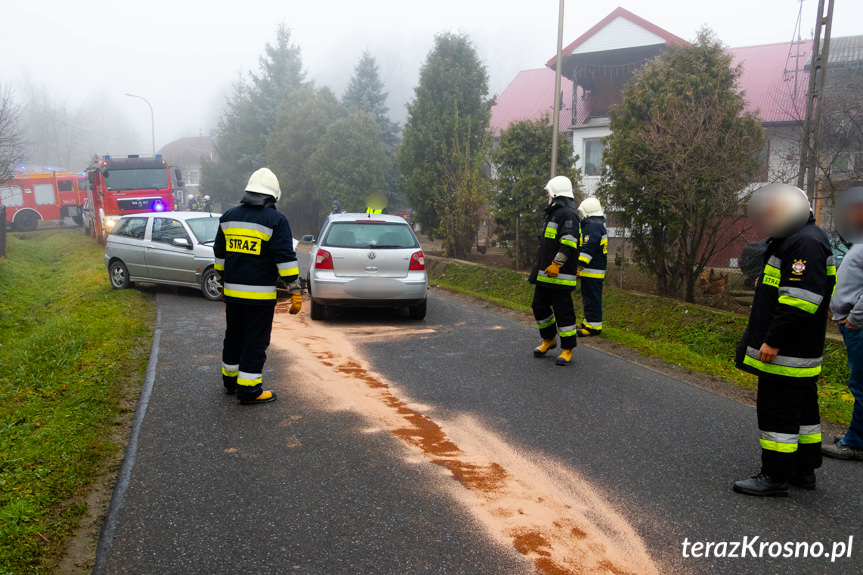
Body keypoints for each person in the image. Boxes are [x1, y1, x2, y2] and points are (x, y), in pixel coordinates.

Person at [733, 183, 835, 496]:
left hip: (786, 352)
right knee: (802, 413)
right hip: (797, 352)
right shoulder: (797, 238)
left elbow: (799, 301)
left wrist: (773, 340)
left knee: (778, 412)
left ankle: (775, 476)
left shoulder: (804, 243)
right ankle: (803, 471)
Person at [213, 168, 302, 405]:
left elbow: (219, 255)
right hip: (259, 298)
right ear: (273, 197)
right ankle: (249, 391)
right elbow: (285, 258)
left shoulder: (228, 217)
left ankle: (230, 383)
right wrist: (294, 292)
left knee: (233, 336)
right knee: (255, 340)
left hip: (232, 294)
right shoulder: (276, 220)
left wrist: (222, 281)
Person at [824, 187, 863, 461]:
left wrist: (854, 320)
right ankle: (856, 435)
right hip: (850, 322)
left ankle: (855, 443)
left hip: (858, 327)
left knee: (860, 385)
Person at [529, 175, 581, 366]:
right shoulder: (553, 214)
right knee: (539, 307)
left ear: (556, 194)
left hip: (559, 276)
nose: (547, 196)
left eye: (548, 193)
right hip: (545, 277)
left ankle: (567, 349)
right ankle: (549, 339)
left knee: (564, 313)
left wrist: (557, 264)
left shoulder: (568, 215)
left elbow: (569, 242)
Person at [574, 197, 608, 337]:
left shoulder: (592, 228)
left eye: (582, 213)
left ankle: (593, 327)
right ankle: (588, 322)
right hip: (592, 272)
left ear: (588, 213)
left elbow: (588, 249)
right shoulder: (596, 226)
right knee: (589, 298)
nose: (581, 216)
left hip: (592, 272)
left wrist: (578, 266)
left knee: (592, 299)